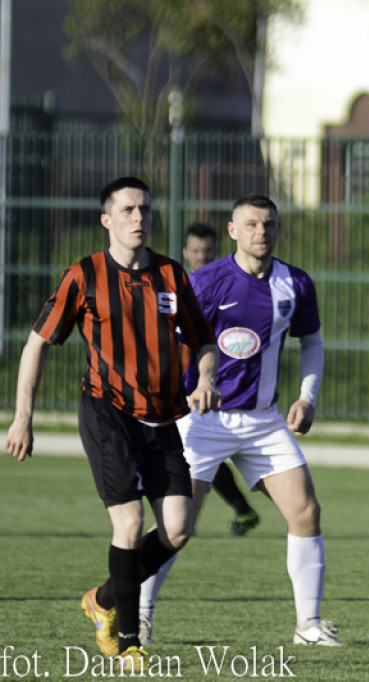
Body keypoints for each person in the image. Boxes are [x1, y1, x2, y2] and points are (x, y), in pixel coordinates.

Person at [4, 176, 221, 673]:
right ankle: (129, 644)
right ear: (107, 220)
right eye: (127, 210)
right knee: (129, 523)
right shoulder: (83, 276)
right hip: (107, 412)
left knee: (178, 528)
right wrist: (22, 418)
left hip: (161, 416)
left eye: (144, 209)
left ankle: (101, 600)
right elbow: (37, 343)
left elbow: (205, 341)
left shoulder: (171, 274)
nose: (138, 218)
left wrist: (207, 377)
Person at [139, 194, 342, 646]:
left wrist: (306, 398)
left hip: (264, 422)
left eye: (269, 224)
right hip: (202, 420)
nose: (261, 232)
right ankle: (137, 616)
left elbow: (312, 343)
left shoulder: (295, 283)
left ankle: (308, 626)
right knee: (176, 526)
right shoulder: (204, 282)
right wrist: (191, 386)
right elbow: (171, 344)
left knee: (306, 511)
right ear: (233, 230)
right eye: (251, 224)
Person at [182, 222, 261, 538]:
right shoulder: (181, 290)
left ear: (217, 251)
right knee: (200, 456)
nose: (202, 257)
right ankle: (239, 510)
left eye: (207, 251)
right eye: (196, 251)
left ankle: (184, 523)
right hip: (186, 386)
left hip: (219, 389)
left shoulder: (231, 287)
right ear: (186, 253)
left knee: (200, 455)